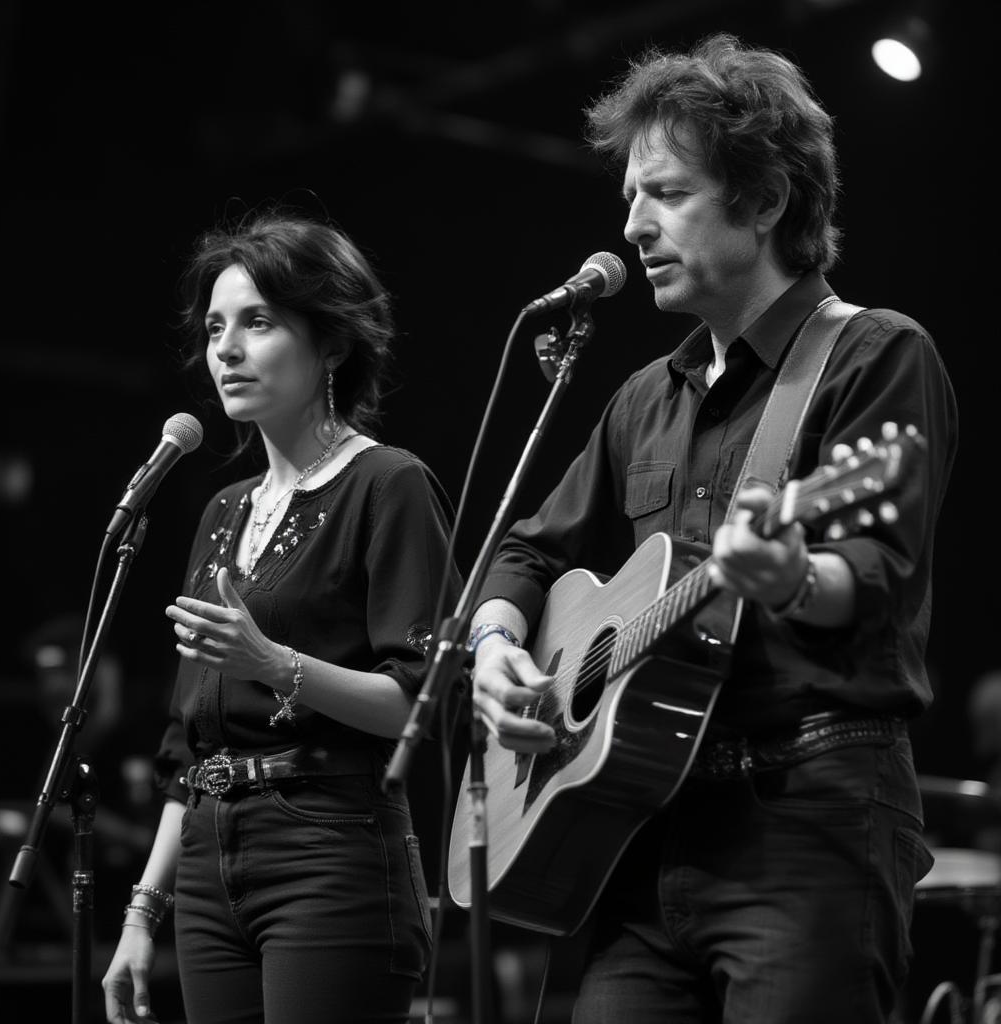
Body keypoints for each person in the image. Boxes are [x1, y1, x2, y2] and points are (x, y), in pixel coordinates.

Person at [468, 33, 958, 1023]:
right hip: (641, 836)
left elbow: (870, 570)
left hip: (806, 817)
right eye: (629, 199)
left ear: (766, 200)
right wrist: (494, 647)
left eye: (667, 193)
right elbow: (525, 548)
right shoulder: (644, 397)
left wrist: (785, 574)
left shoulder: (873, 353)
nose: (634, 223)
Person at [101, 208, 461, 1024]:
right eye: (215, 328)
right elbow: (184, 744)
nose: (224, 349)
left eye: (257, 323)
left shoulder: (388, 484)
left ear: (332, 342)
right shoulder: (222, 510)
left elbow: (425, 702)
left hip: (328, 847)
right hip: (207, 861)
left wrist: (274, 663)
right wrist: (141, 913)